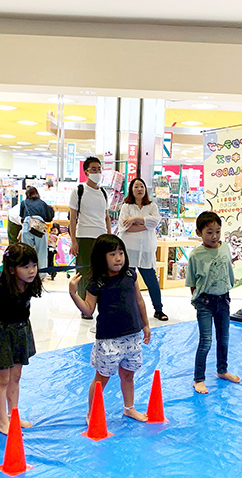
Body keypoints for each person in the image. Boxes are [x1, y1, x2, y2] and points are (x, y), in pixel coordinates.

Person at [68, 234, 151, 423]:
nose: (118, 258)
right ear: (101, 257)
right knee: (101, 378)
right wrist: (73, 294)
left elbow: (139, 300)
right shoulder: (97, 282)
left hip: (132, 335)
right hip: (108, 340)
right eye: (112, 254)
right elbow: (88, 310)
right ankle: (91, 412)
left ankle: (129, 408)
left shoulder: (130, 275)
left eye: (121, 253)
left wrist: (146, 324)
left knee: (128, 375)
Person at [0, 243, 42, 432]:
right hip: (3, 334)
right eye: (25, 267)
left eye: (34, 265)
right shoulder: (0, 289)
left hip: (21, 331)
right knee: (3, 379)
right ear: (11, 269)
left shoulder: (29, 285)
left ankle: (12, 415)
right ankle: (1, 421)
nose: (32, 271)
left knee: (16, 376)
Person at [186, 211, 241, 394]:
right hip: (205, 302)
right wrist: (197, 300)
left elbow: (228, 271)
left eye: (217, 231)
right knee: (206, 341)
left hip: (223, 300)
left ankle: (222, 370)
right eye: (209, 232)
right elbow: (192, 282)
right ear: (198, 232)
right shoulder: (196, 255)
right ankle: (198, 379)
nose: (214, 236)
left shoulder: (224, 247)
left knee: (223, 339)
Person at [118, 178, 168, 321]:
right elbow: (123, 227)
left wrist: (135, 219)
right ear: (131, 190)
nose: (139, 189)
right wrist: (145, 224)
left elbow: (156, 221)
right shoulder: (126, 206)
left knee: (152, 280)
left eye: (141, 186)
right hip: (129, 250)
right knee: (127, 281)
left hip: (146, 249)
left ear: (145, 189)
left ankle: (158, 310)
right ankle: (127, 309)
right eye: (136, 187)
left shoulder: (152, 206)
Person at [69, 157, 111, 318]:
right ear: (86, 171)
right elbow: (73, 218)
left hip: (101, 238)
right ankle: (85, 308)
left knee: (101, 273)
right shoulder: (78, 191)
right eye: (94, 169)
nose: (97, 172)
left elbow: (106, 217)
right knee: (84, 272)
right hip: (84, 236)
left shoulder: (103, 193)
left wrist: (109, 236)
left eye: (99, 169)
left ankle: (99, 303)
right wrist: (74, 241)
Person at [20, 186, 55, 274]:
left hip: (27, 226)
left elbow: (21, 216)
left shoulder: (23, 202)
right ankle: (42, 274)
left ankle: (26, 272)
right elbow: (48, 217)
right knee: (42, 251)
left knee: (26, 251)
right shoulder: (42, 203)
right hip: (39, 226)